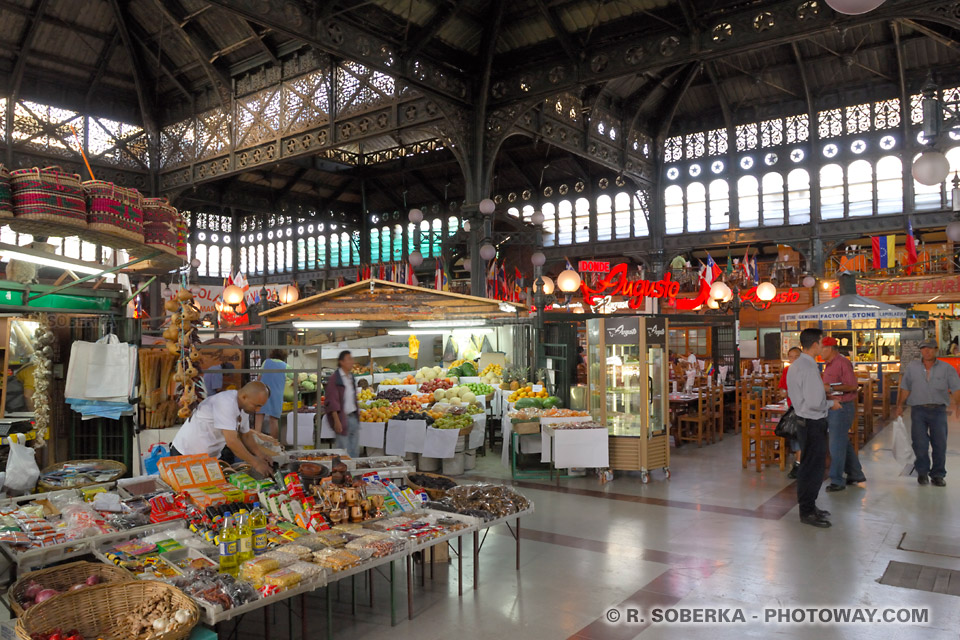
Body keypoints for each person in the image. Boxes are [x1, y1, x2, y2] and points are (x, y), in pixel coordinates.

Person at [787, 328, 842, 528]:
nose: (824, 345)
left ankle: (810, 505)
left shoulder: (798, 364)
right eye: (822, 341)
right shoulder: (808, 367)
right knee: (813, 469)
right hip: (811, 422)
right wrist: (830, 404)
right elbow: (812, 402)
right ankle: (807, 510)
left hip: (806, 421)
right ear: (815, 344)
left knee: (810, 467)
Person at [171, 381, 275, 476]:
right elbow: (232, 441)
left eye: (260, 406)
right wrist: (255, 463)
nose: (258, 410)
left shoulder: (244, 407)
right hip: (186, 454)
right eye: (256, 406)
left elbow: (246, 435)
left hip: (210, 458)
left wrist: (260, 455)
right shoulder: (226, 403)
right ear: (244, 397)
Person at [896, 339, 960, 487]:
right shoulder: (912, 368)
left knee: (940, 444)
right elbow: (905, 387)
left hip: (939, 411)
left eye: (930, 348)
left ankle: (938, 475)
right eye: (924, 348)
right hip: (918, 410)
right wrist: (899, 405)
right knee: (919, 443)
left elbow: (956, 388)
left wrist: (958, 405)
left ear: (936, 350)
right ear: (920, 351)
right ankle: (922, 473)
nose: (927, 351)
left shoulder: (947, 368)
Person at [820, 337, 867, 492]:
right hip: (833, 407)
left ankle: (837, 480)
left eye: (821, 349)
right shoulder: (828, 365)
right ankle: (855, 473)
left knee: (836, 445)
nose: (819, 352)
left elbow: (852, 385)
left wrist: (831, 388)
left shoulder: (842, 363)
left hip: (842, 407)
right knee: (841, 443)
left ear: (830, 349)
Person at [324, 351, 359, 458]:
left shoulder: (351, 377)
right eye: (348, 359)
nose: (351, 362)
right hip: (342, 419)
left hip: (353, 418)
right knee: (344, 453)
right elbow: (332, 401)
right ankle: (343, 473)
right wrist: (336, 421)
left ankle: (353, 473)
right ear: (341, 362)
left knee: (354, 451)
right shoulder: (335, 379)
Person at [779, 347, 801, 479]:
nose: (793, 360)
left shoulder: (807, 370)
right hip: (791, 406)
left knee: (798, 434)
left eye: (796, 357)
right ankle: (798, 461)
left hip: (803, 407)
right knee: (793, 433)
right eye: (790, 357)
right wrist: (784, 392)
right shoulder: (787, 370)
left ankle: (798, 463)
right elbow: (782, 389)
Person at [256, 350, 288, 439]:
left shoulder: (266, 362)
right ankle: (274, 443)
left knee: (259, 416)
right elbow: (298, 379)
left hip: (263, 392)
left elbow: (259, 377)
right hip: (276, 395)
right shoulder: (285, 366)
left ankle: (256, 440)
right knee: (273, 419)